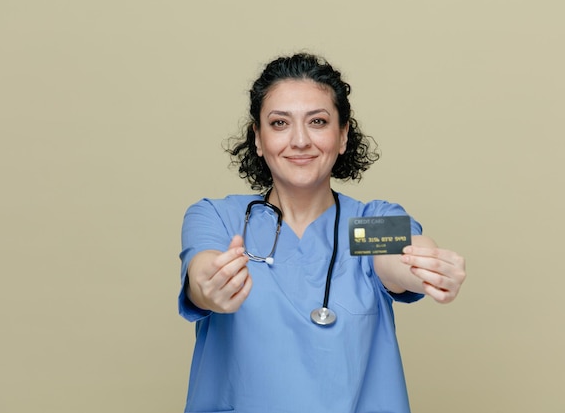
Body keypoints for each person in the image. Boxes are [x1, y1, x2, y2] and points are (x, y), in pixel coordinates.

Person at [178, 52, 466, 413]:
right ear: (257, 137)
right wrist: (210, 286)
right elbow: (201, 276)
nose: (299, 140)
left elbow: (402, 256)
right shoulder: (220, 218)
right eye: (280, 123)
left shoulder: (362, 227)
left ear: (343, 135)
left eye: (317, 121)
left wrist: (429, 267)